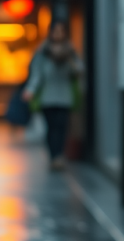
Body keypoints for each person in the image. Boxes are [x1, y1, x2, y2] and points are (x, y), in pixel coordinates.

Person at [22, 21, 83, 170]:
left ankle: (58, 156)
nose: (58, 34)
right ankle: (53, 155)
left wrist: (70, 58)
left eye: (61, 31)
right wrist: (30, 89)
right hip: (47, 95)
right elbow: (37, 73)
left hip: (64, 95)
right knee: (51, 127)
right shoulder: (43, 51)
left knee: (61, 126)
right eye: (55, 31)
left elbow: (80, 69)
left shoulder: (70, 50)